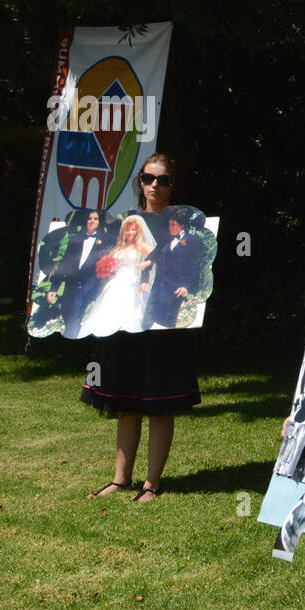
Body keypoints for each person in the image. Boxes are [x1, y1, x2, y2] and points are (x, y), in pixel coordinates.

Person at [81, 153, 200, 503]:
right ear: (141, 182)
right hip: (125, 320)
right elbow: (103, 267)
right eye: (148, 179)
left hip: (163, 322)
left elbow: (192, 270)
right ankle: (120, 479)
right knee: (126, 401)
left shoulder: (186, 227)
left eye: (163, 180)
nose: (154, 186)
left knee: (160, 403)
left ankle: (152, 483)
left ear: (173, 185)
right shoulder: (122, 223)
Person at [84, 213, 156, 336]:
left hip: (132, 280)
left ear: (138, 231)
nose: (130, 232)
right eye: (127, 229)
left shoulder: (142, 246)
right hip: (115, 281)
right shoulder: (118, 248)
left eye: (133, 230)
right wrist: (107, 270)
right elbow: (110, 261)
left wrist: (147, 264)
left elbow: (158, 256)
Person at [45, 209, 111, 338]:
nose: (92, 221)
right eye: (89, 218)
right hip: (71, 284)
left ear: (100, 222)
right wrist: (54, 288)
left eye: (95, 219)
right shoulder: (75, 239)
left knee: (75, 314)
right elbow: (64, 264)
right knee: (68, 313)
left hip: (89, 285)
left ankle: (70, 341)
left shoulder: (106, 242)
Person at [143, 207, 204, 329]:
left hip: (175, 289)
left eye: (174, 225)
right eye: (169, 224)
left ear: (182, 226)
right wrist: (148, 263)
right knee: (147, 321)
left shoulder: (193, 241)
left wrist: (186, 286)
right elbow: (155, 255)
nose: (171, 227)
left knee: (166, 324)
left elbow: (194, 266)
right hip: (158, 288)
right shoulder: (167, 240)